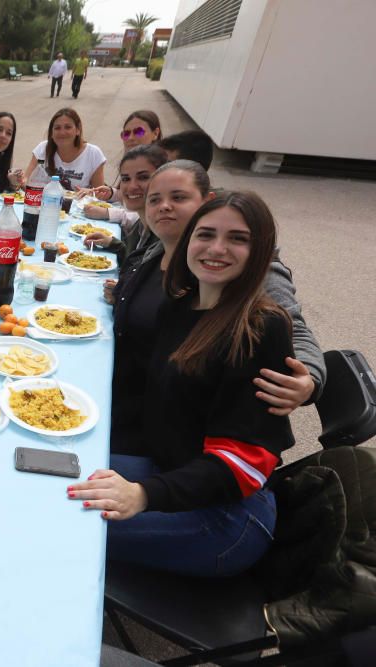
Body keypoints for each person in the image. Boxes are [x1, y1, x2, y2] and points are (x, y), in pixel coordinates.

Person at [69, 191, 296, 577]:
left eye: (237, 239)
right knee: (44, 475)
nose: (217, 248)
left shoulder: (261, 329)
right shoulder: (181, 305)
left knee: (57, 525)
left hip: (226, 517)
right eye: (205, 234)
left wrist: (142, 494)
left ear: (259, 251)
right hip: (169, 471)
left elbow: (243, 466)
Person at [110, 161, 325, 468]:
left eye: (179, 197)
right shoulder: (166, 262)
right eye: (154, 198)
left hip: (184, 449)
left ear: (206, 202)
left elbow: (292, 328)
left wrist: (309, 380)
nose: (164, 206)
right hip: (143, 408)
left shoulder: (249, 283)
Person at [82, 144, 169, 267]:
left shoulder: (165, 236)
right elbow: (137, 259)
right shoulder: (141, 225)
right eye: (126, 179)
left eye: (143, 177)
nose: (132, 186)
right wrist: (112, 243)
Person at [22, 108, 106, 191]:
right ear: (51, 133)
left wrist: (89, 193)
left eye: (68, 127)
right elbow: (26, 180)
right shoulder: (42, 149)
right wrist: (19, 181)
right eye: (57, 128)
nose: (62, 132)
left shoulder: (93, 154)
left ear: (78, 130)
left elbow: (99, 195)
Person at [89, 111, 163, 201]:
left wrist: (108, 213)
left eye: (139, 132)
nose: (131, 138)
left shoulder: (163, 169)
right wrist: (112, 193)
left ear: (155, 133)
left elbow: (146, 204)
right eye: (126, 134)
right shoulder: (130, 163)